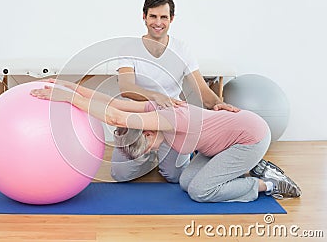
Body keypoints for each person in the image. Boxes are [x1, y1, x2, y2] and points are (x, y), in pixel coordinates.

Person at [30, 81, 302, 202]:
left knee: (200, 192)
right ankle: (252, 168)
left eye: (146, 148)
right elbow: (114, 104)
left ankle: (267, 183)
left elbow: (114, 117)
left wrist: (67, 99)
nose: (150, 152)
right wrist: (69, 87)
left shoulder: (170, 119)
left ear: (147, 133)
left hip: (249, 137)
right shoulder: (154, 112)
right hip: (223, 143)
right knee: (185, 183)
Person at [112, 0, 239, 183]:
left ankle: (178, 154)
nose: (158, 22)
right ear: (144, 17)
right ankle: (149, 159)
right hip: (141, 118)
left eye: (164, 17)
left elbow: (203, 91)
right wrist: (155, 96)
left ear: (171, 19)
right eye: (153, 16)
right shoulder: (129, 48)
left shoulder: (182, 49)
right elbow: (126, 87)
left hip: (172, 120)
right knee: (120, 175)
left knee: (175, 176)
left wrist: (220, 105)